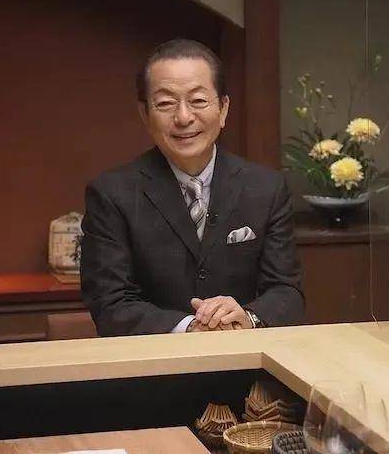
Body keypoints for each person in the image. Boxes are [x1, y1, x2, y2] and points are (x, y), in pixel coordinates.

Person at [81, 39, 303, 336]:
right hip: (155, 361)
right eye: (165, 103)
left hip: (245, 356)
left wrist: (248, 317)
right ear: (145, 114)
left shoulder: (266, 188)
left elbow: (286, 292)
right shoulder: (111, 194)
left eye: (198, 101)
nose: (184, 117)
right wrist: (189, 327)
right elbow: (110, 303)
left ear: (223, 109)